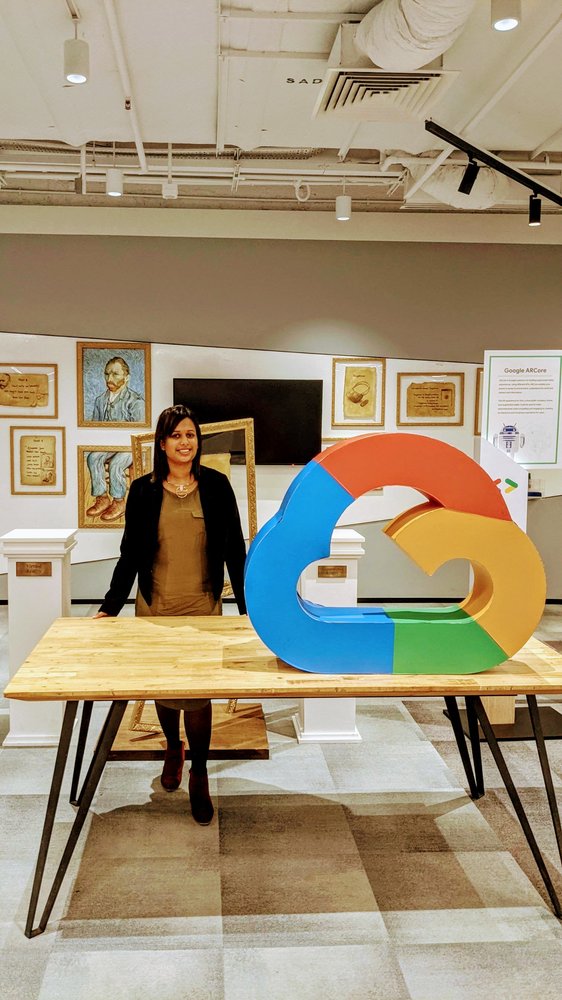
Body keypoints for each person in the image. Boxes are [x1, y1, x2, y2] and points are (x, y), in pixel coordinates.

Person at [95, 404, 247, 824]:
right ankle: (172, 747)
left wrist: (250, 609)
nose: (185, 442)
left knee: (197, 695)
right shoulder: (143, 490)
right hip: (156, 605)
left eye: (191, 435)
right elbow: (129, 554)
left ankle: (199, 771)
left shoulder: (217, 486)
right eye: (177, 435)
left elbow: (235, 548)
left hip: (202, 605)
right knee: (164, 688)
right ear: (162, 444)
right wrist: (110, 606)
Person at [91, 356, 145, 423]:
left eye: (115, 374)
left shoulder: (136, 402)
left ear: (127, 378)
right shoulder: (99, 401)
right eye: (107, 374)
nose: (109, 379)